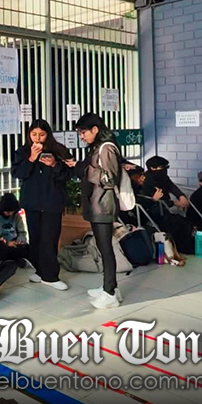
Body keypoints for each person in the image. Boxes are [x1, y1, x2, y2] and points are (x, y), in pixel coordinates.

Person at [11, 119, 73, 291]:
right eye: (34, 134)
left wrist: (54, 165)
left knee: (50, 238)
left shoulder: (59, 150)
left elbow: (69, 174)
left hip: (52, 201)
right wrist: (31, 158)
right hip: (32, 202)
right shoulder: (23, 152)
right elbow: (18, 173)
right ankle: (40, 271)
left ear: (48, 135)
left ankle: (51, 276)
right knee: (36, 238)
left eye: (42, 134)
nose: (37, 138)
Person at [70, 113, 123, 309]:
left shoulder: (106, 148)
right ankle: (110, 287)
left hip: (103, 206)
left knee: (106, 248)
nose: (81, 136)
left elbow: (110, 179)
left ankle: (110, 294)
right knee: (103, 247)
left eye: (83, 132)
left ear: (95, 129)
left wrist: (85, 170)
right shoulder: (96, 147)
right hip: (96, 204)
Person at [0, 193, 31, 267]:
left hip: (15, 242)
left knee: (27, 248)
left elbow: (22, 232)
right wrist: (6, 243)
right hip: (2, 244)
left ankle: (18, 259)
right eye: (8, 212)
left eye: (12, 211)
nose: (10, 214)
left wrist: (19, 241)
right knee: (2, 250)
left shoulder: (17, 216)